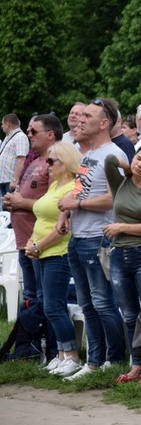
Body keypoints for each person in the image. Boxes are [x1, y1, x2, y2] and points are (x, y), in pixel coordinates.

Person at [57, 98, 128, 381]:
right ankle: (94, 361)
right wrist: (65, 215)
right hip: (78, 236)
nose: (80, 119)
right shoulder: (88, 155)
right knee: (87, 304)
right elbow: (80, 189)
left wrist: (79, 205)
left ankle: (113, 358)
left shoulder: (113, 155)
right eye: (81, 115)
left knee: (102, 302)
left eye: (88, 115)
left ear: (104, 123)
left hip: (98, 238)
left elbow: (117, 198)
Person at [104, 141, 141, 383]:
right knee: (128, 314)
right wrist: (129, 168)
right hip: (118, 255)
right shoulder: (121, 183)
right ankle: (136, 364)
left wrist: (123, 227)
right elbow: (109, 161)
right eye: (139, 159)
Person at [26, 141, 81, 377]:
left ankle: (72, 355)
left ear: (66, 162)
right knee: (51, 307)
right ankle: (60, 354)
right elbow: (43, 218)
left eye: (51, 161)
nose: (46, 165)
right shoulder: (55, 185)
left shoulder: (72, 187)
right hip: (42, 253)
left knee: (54, 306)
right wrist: (32, 242)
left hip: (58, 253)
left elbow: (62, 228)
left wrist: (38, 245)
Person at [4, 115, 61, 304]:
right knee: (30, 295)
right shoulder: (35, 161)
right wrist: (12, 200)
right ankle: (32, 333)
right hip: (24, 241)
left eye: (33, 131)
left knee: (42, 296)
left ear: (50, 134)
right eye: (28, 130)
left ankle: (44, 333)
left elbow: (55, 205)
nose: (28, 134)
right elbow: (25, 193)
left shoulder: (56, 165)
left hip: (41, 242)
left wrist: (21, 204)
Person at [0, 114, 30, 196]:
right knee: (4, 207)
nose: (2, 126)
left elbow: (21, 159)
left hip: (10, 181)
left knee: (9, 207)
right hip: (3, 179)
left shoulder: (20, 137)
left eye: (3, 124)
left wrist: (15, 180)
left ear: (8, 124)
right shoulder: (8, 137)